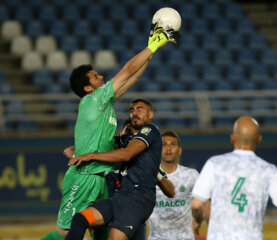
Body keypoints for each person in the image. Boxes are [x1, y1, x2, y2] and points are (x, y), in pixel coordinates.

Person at [42, 25, 178, 240]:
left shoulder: (103, 104)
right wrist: (152, 46)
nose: (101, 76)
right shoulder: (93, 100)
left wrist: (154, 50)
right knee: (63, 234)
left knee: (102, 232)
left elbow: (132, 78)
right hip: (84, 177)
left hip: (101, 178)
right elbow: (126, 71)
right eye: (95, 76)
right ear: (88, 88)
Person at [191, 116, 277, 240]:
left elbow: (196, 205)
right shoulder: (269, 170)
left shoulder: (214, 164)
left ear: (232, 138)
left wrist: (197, 220)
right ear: (259, 139)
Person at [64, 99, 163, 240]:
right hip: (118, 198)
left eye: (139, 109)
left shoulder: (151, 131)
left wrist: (91, 155)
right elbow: (70, 150)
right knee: (80, 219)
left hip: (138, 199)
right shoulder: (122, 141)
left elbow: (127, 154)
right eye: (131, 110)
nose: (134, 113)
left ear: (150, 115)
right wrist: (81, 155)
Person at [148, 130, 199, 240]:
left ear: (180, 150)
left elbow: (202, 204)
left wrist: (198, 221)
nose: (168, 148)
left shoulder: (191, 175)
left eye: (173, 144)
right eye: (164, 145)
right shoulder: (148, 176)